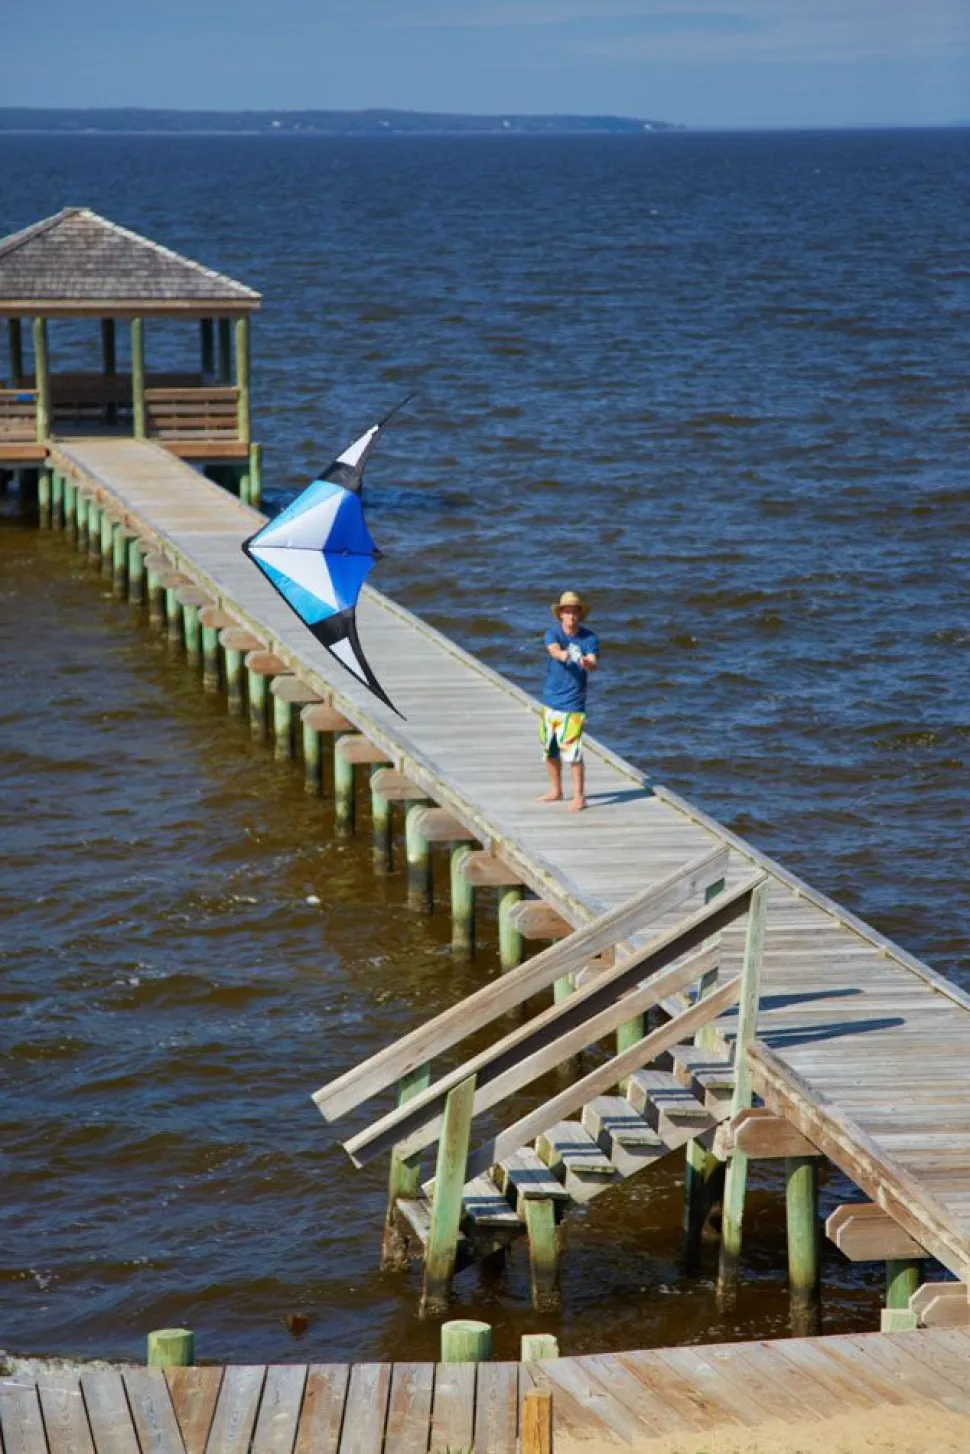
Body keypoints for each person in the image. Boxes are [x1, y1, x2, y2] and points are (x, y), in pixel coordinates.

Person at [537, 590, 599, 812]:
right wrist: (566, 655)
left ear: (580, 615)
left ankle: (579, 797)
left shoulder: (589, 638)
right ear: (561, 614)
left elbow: (593, 660)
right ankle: (556, 791)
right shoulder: (553, 633)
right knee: (550, 750)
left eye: (575, 612)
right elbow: (553, 650)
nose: (571, 616)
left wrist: (588, 663)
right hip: (550, 701)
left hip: (573, 704)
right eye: (567, 612)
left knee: (572, 752)